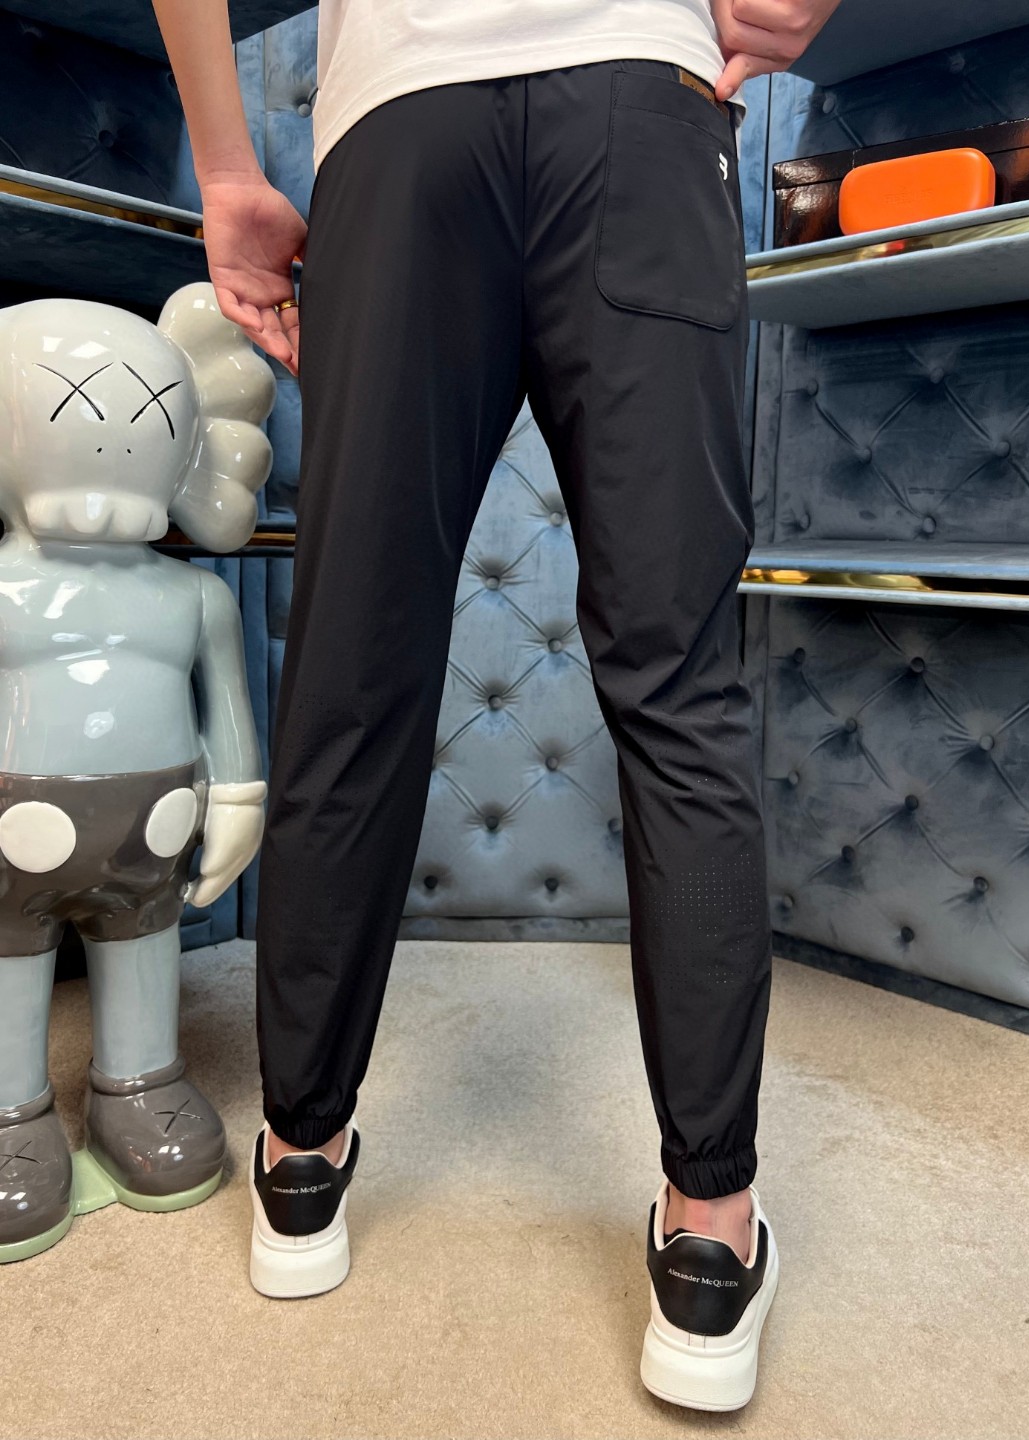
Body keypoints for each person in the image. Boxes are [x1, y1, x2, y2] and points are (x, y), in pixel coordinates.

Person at [153, 0, 840, 1412]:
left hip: (401, 129)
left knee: (352, 671)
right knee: (678, 687)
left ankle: (300, 1166)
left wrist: (228, 171)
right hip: (640, 113)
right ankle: (710, 1241)